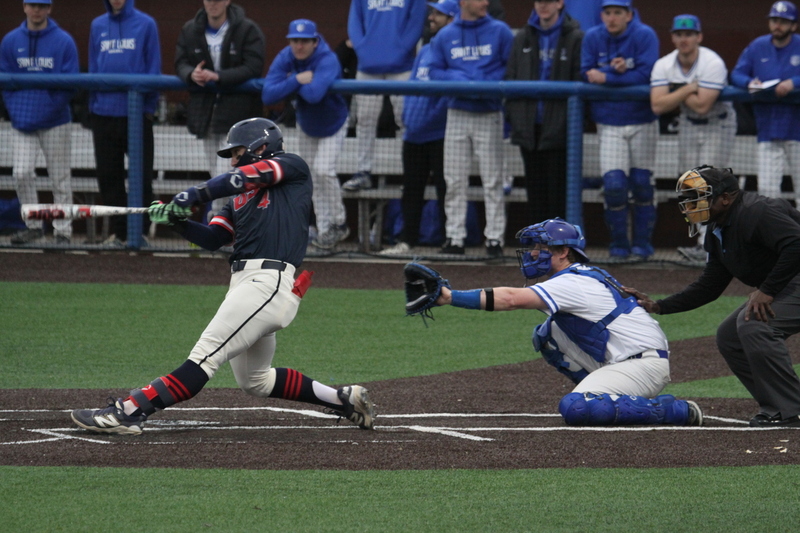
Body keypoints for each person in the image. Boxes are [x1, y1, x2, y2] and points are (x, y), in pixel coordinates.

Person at [70, 117, 375, 435]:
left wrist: (194, 194)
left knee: (205, 356)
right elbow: (215, 238)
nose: (233, 160)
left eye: (237, 151)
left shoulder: (291, 167)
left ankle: (128, 411)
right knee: (256, 380)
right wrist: (176, 221)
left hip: (268, 283)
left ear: (260, 147)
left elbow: (244, 176)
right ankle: (344, 399)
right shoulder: (236, 200)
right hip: (245, 285)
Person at [430, 217, 702, 427]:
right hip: (627, 359)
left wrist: (448, 296)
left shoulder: (572, 282)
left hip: (642, 364)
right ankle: (610, 395)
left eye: (541, 247)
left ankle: (675, 410)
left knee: (576, 408)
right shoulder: (577, 276)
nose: (533, 253)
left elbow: (511, 299)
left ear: (563, 252)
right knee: (549, 334)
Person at [625, 165, 800, 427]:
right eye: (686, 198)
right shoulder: (719, 228)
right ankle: (777, 406)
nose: (688, 204)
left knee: (754, 326)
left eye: (696, 196)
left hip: (791, 279)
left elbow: (797, 244)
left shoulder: (758, 212)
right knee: (730, 336)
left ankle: (792, 410)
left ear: (725, 198)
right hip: (788, 282)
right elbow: (711, 284)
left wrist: (767, 290)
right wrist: (659, 306)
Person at [427, 0, 514, 257]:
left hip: (490, 112)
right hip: (457, 112)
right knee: (454, 179)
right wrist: (460, 80)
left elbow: (510, 68)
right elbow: (434, 71)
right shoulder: (446, 34)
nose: (485, 2)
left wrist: (481, 83)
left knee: (493, 180)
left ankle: (495, 240)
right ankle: (455, 238)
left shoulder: (500, 31)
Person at [650, 14, 737, 264]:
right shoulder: (664, 64)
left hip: (717, 124)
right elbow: (657, 105)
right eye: (679, 34)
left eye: (689, 34)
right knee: (692, 184)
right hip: (688, 125)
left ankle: (712, 244)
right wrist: (689, 88)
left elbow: (703, 106)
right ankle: (703, 244)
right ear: (673, 37)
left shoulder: (712, 62)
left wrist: (675, 92)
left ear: (699, 36)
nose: (684, 39)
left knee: (713, 184)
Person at [262, 19, 350, 251]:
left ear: (315, 41)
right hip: (307, 124)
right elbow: (268, 95)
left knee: (324, 169)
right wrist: (296, 79)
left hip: (334, 122)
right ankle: (324, 230)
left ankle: (339, 223)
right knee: (311, 175)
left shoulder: (327, 58)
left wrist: (289, 84)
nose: (299, 46)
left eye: (304, 41)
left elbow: (314, 95)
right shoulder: (286, 56)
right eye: (295, 41)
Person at [581, 0, 659, 260]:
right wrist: (611, 72)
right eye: (608, 12)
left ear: (629, 14)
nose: (612, 18)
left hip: (642, 120)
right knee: (614, 186)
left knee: (641, 184)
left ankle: (642, 245)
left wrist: (610, 77)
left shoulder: (644, 34)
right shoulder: (593, 36)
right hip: (608, 120)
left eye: (618, 13)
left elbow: (648, 75)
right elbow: (585, 73)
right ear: (602, 14)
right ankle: (619, 244)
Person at [379, 0, 458, 256]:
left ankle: (451, 240)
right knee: (411, 189)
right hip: (414, 133)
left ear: (453, 18)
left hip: (440, 133)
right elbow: (413, 86)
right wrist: (409, 118)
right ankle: (406, 240)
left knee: (446, 188)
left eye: (439, 14)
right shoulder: (425, 49)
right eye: (432, 12)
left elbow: (448, 95)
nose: (432, 17)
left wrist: (429, 119)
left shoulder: (453, 49)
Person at [174, 0, 265, 220]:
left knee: (226, 173)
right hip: (205, 112)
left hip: (237, 114)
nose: (212, 4)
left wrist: (219, 76)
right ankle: (224, 221)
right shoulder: (190, 29)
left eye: (217, 0)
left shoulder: (247, 29)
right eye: (209, 0)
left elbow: (254, 65)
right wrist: (190, 73)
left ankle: (218, 221)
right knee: (216, 172)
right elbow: (180, 62)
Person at [0, 0, 79, 245]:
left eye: (42, 6)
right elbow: (5, 84)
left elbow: (70, 85)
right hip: (23, 122)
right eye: (32, 5)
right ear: (24, 7)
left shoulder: (64, 40)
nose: (37, 10)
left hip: (55, 120)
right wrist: (19, 112)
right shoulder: (11, 41)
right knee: (21, 173)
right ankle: (33, 225)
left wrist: (44, 110)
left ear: (49, 9)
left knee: (60, 178)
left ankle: (63, 231)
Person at [88, 0, 161, 247]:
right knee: (109, 178)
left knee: (142, 177)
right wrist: (93, 106)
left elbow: (153, 67)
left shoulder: (146, 24)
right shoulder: (97, 24)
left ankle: (137, 234)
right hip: (103, 115)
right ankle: (118, 235)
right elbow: (93, 65)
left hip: (137, 115)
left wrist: (148, 109)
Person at [505, 0, 583, 224]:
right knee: (535, 192)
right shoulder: (522, 37)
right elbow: (511, 78)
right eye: (539, 1)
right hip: (529, 130)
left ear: (560, 3)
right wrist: (517, 120)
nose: (543, 6)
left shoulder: (576, 37)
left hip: (560, 131)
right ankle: (539, 247)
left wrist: (567, 123)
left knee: (558, 193)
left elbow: (579, 79)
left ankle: (558, 249)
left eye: (548, 1)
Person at [341, 0, 428, 192]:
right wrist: (363, 51)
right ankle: (363, 171)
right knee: (365, 120)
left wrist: (400, 51)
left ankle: (410, 174)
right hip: (367, 66)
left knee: (406, 119)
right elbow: (354, 24)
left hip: (402, 66)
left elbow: (415, 24)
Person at [731, 1, 800, 203]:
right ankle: (775, 235)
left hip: (797, 129)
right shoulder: (758, 46)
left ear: (793, 25)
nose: (777, 25)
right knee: (768, 194)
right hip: (768, 128)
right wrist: (749, 82)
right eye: (774, 20)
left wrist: (793, 83)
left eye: (783, 22)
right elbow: (736, 73)